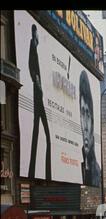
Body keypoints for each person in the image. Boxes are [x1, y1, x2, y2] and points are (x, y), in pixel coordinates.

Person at [28, 24, 51, 180]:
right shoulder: (32, 46)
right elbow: (32, 68)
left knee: (39, 133)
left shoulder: (35, 48)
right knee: (45, 135)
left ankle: (32, 172)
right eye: (37, 34)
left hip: (39, 95)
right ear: (34, 33)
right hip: (37, 96)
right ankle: (40, 174)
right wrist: (38, 85)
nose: (38, 37)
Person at [79, 70, 101, 187]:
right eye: (82, 113)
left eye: (88, 114)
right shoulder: (77, 159)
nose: (86, 127)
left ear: (92, 121)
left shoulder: (97, 171)